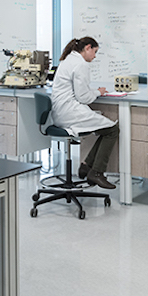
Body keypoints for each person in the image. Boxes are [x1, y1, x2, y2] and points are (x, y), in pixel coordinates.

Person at [50, 37, 119, 189]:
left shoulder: (67, 60)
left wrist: (93, 91)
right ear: (87, 48)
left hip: (60, 113)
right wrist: (99, 92)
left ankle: (87, 166)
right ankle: (97, 172)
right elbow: (83, 97)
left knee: (106, 128)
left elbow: (79, 92)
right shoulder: (81, 64)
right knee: (112, 130)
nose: (94, 56)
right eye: (95, 52)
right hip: (69, 113)